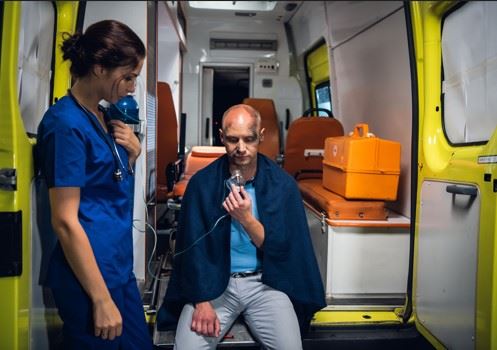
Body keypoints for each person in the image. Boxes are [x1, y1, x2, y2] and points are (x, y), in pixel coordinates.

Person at [157, 104, 326, 349]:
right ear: (221, 137)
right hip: (213, 286)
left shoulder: (282, 185)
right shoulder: (202, 185)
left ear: (261, 136)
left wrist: (246, 218)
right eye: (233, 139)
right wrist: (202, 301)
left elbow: (280, 249)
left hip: (265, 285)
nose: (241, 148)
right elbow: (190, 250)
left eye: (249, 139)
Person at [36, 20, 152, 349]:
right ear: (100, 68)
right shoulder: (65, 125)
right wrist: (100, 300)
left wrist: (132, 155)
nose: (131, 87)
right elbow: (65, 220)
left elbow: (107, 184)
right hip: (90, 281)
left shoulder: (103, 116)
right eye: (128, 77)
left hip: (117, 270)